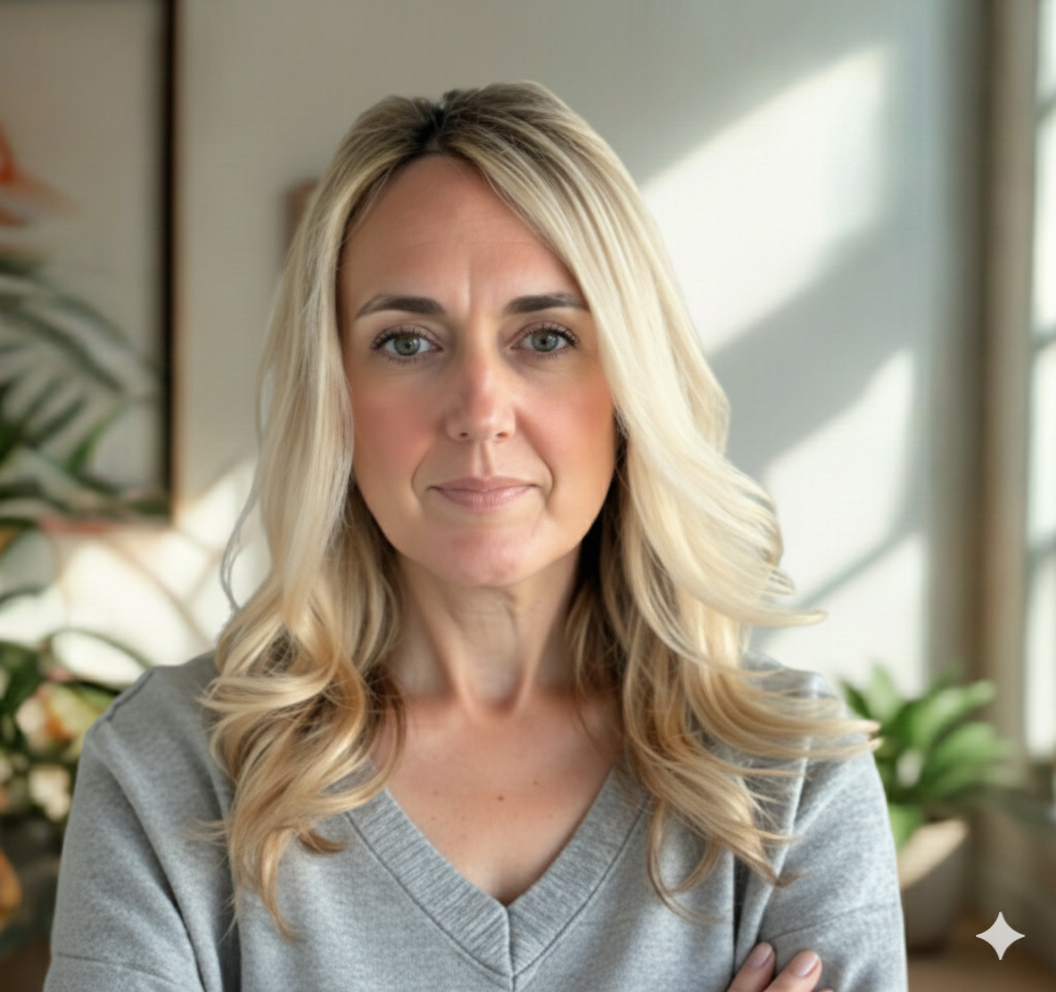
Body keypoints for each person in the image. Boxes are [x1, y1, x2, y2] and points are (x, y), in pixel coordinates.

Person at [44, 82, 907, 991]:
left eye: (543, 337)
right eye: (407, 342)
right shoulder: (166, 772)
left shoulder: (793, 777)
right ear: (334, 395)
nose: (480, 411)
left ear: (629, 385)